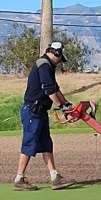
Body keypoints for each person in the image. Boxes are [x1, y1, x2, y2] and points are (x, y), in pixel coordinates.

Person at [13, 41, 76, 191]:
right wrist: (60, 106)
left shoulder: (48, 66)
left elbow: (55, 88)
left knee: (46, 144)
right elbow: (49, 90)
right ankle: (19, 178)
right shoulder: (43, 64)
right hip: (32, 112)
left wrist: (66, 104)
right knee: (29, 144)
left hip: (40, 112)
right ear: (56, 54)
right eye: (60, 58)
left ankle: (55, 177)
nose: (60, 62)